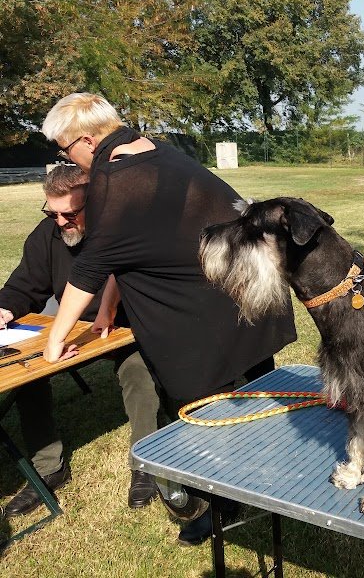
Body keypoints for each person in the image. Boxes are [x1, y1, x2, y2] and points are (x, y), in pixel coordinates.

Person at [40, 93, 297, 546]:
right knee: (255, 401)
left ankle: (224, 504)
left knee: (204, 416)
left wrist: (55, 337)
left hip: (204, 308)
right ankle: (259, 485)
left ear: (84, 139)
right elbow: (128, 244)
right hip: (250, 293)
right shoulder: (156, 151)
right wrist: (106, 310)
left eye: (64, 150)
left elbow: (95, 259)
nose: (67, 159)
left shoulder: (112, 174)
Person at [0, 165, 160, 516]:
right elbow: (25, 283)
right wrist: (4, 308)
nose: (60, 222)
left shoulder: (122, 233)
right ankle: (48, 468)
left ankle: (146, 463)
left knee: (137, 369)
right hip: (70, 329)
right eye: (52, 212)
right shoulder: (48, 234)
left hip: (126, 326)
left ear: (96, 204)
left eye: (69, 214)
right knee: (29, 373)